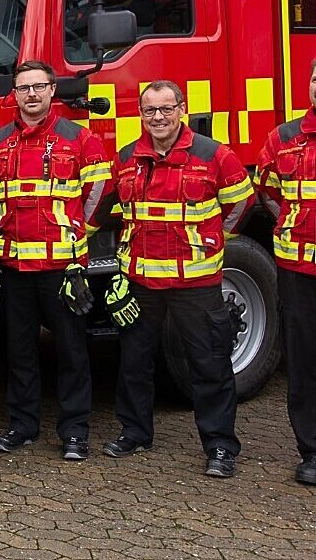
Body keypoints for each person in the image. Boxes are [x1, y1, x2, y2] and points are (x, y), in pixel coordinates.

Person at [105, 80, 254, 478]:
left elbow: (242, 200)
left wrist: (214, 240)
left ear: (182, 109)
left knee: (209, 365)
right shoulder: (126, 157)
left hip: (196, 283)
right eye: (150, 111)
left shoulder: (213, 154)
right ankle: (134, 432)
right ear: (141, 114)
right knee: (134, 363)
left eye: (166, 109)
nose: (158, 118)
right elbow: (111, 206)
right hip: (142, 280)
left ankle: (220, 447)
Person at [0, 61, 111, 460]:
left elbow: (100, 193)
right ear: (14, 95)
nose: (32, 95)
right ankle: (22, 426)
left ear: (53, 91)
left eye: (39, 87)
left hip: (62, 268)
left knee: (72, 351)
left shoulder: (79, 138)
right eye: (24, 88)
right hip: (14, 267)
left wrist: (78, 236)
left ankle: (74, 431)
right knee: (19, 351)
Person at [257, 59, 316, 485]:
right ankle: (311, 450)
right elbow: (271, 193)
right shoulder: (283, 139)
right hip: (299, 268)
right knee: (305, 358)